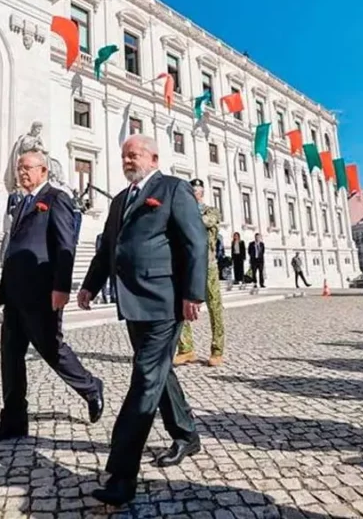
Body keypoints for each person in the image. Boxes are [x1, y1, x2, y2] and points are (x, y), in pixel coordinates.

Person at [77, 135, 207, 507]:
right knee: (159, 372)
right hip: (133, 302)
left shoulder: (172, 189)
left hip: (164, 303)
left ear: (153, 157)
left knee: (145, 379)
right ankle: (187, 434)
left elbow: (194, 243)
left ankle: (121, 474)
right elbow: (108, 249)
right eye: (123, 156)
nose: (127, 160)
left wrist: (193, 294)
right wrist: (90, 285)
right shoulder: (121, 200)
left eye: (134, 155)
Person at [0, 150, 103, 444]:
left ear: (44, 170)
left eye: (27, 168)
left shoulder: (56, 198)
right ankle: (13, 420)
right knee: (10, 358)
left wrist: (61, 287)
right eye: (19, 168)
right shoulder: (22, 202)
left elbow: (65, 245)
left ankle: (90, 387)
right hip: (13, 292)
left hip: (41, 292)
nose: (22, 172)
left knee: (51, 349)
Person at [174, 178, 225, 367]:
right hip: (186, 266)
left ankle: (217, 349)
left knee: (214, 307)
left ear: (201, 192)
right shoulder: (183, 212)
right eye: (191, 190)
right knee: (181, 306)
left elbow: (203, 222)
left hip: (208, 266)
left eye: (196, 191)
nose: (193, 193)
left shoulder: (211, 211)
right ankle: (186, 349)